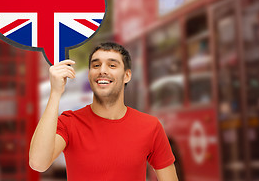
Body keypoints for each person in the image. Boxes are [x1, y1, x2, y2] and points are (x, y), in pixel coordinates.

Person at [29, 42, 179, 181]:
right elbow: (38, 163)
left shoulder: (150, 126)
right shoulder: (69, 122)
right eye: (96, 65)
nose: (102, 71)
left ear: (127, 75)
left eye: (112, 65)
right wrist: (55, 92)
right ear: (89, 75)